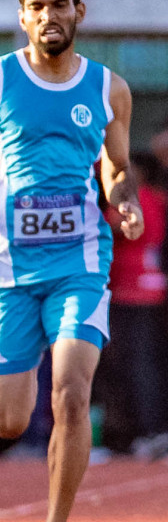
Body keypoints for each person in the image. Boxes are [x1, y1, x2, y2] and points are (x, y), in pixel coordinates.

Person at [0, 0, 141, 522]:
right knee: (7, 420)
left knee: (72, 394)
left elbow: (115, 165)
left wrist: (124, 198)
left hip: (81, 260)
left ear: (79, 12)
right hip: (6, 265)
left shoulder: (109, 89)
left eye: (59, 5)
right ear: (23, 16)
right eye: (37, 7)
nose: (48, 17)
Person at [93, 153, 167, 455]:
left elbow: (112, 229)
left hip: (131, 293)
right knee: (140, 365)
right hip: (144, 292)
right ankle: (145, 431)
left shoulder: (135, 201)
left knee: (135, 366)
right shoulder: (153, 200)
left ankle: (147, 431)